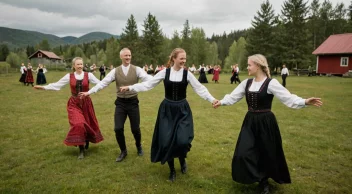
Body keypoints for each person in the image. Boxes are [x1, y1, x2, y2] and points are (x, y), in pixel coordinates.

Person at [213, 54, 323, 194]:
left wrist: (305, 101)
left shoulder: (271, 83)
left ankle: (263, 181)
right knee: (243, 152)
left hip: (266, 122)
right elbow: (233, 96)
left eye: (249, 65)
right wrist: (221, 102)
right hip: (250, 121)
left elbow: (287, 98)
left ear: (258, 66)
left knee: (266, 152)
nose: (247, 67)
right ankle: (256, 176)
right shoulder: (246, 83)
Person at [120, 48, 217, 182]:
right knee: (166, 141)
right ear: (173, 59)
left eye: (185, 58)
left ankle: (182, 160)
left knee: (182, 140)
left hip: (182, 110)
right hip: (167, 110)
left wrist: (212, 99)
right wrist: (131, 87)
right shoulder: (164, 72)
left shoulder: (187, 74)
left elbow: (200, 88)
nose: (184, 61)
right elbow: (148, 85)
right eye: (181, 58)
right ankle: (171, 170)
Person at [79, 48, 153, 162]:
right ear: (121, 57)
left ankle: (138, 146)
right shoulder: (115, 71)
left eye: (129, 55)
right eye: (125, 55)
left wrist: (142, 84)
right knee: (118, 128)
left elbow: (150, 79)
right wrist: (89, 92)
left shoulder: (137, 69)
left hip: (133, 102)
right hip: (121, 103)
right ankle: (123, 151)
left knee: (135, 129)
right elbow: (103, 83)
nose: (128, 57)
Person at [33, 57, 104, 159]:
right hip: (74, 103)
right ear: (73, 66)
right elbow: (57, 85)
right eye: (78, 64)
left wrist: (90, 92)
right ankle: (81, 149)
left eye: (81, 64)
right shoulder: (69, 76)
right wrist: (43, 87)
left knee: (88, 123)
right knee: (78, 123)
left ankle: (86, 140)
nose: (80, 66)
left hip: (86, 103)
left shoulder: (89, 75)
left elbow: (100, 84)